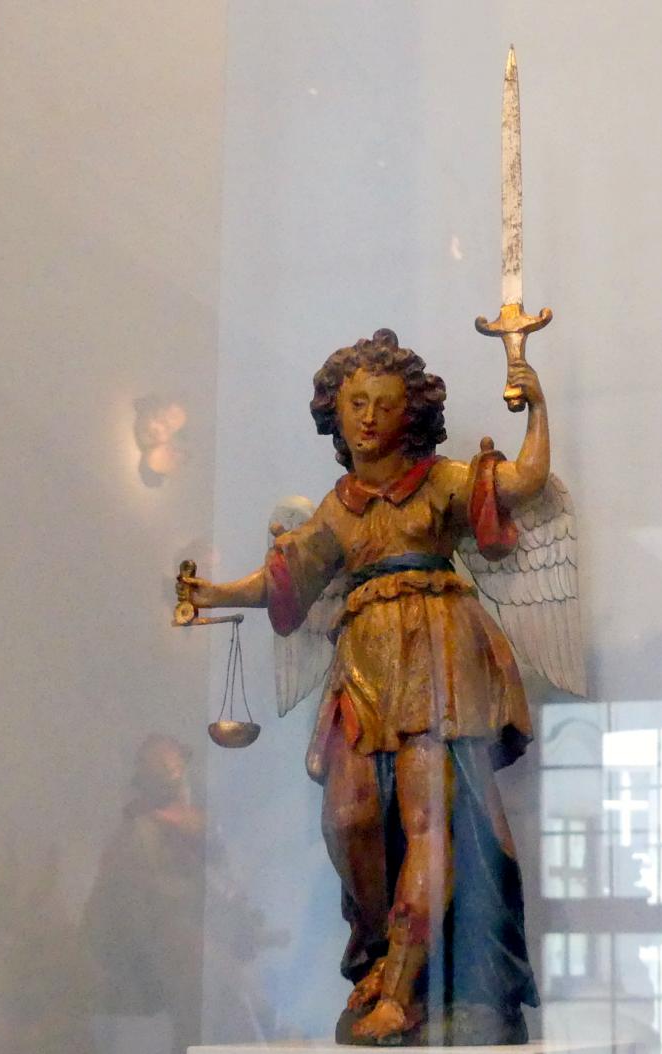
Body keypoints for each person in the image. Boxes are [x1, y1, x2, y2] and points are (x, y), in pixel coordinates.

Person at [181, 329, 548, 1043]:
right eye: (356, 403)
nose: (370, 417)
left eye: (384, 403)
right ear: (336, 412)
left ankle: (402, 989)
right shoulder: (338, 506)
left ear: (410, 413)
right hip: (365, 666)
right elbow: (288, 577)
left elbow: (523, 483)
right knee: (347, 818)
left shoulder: (440, 481)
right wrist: (213, 594)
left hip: (438, 655)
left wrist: (536, 407)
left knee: (428, 823)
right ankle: (382, 952)